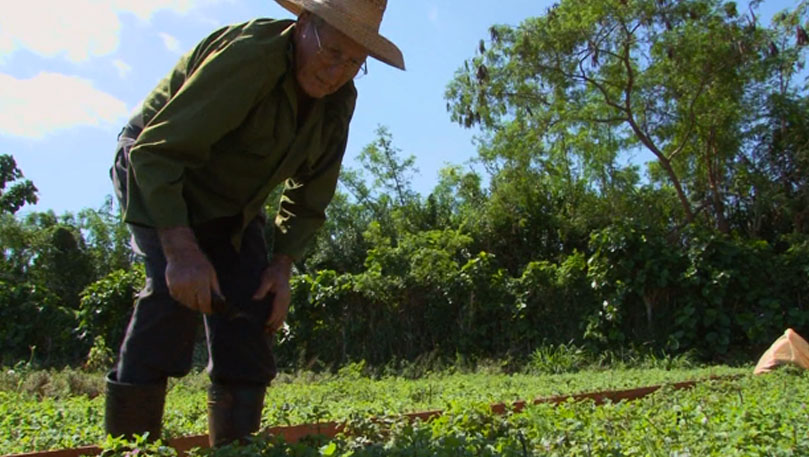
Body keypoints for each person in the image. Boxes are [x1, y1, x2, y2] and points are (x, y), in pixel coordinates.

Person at [105, 0, 404, 447]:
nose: (337, 70)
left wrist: (281, 267)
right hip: (160, 171)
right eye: (333, 50)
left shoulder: (339, 100)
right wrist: (183, 252)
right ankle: (130, 449)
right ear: (305, 23)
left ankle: (237, 448)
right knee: (173, 297)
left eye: (355, 62)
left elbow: (310, 195)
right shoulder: (252, 58)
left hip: (233, 207)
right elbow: (157, 153)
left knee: (254, 307)